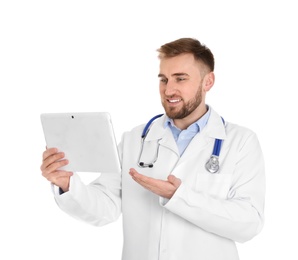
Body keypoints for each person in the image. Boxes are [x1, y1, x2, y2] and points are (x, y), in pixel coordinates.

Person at [41, 37, 265, 260]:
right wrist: (67, 184)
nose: (169, 90)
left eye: (180, 79)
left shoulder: (240, 142)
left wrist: (178, 196)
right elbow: (105, 209)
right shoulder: (134, 139)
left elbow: (249, 223)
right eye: (164, 79)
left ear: (208, 82)